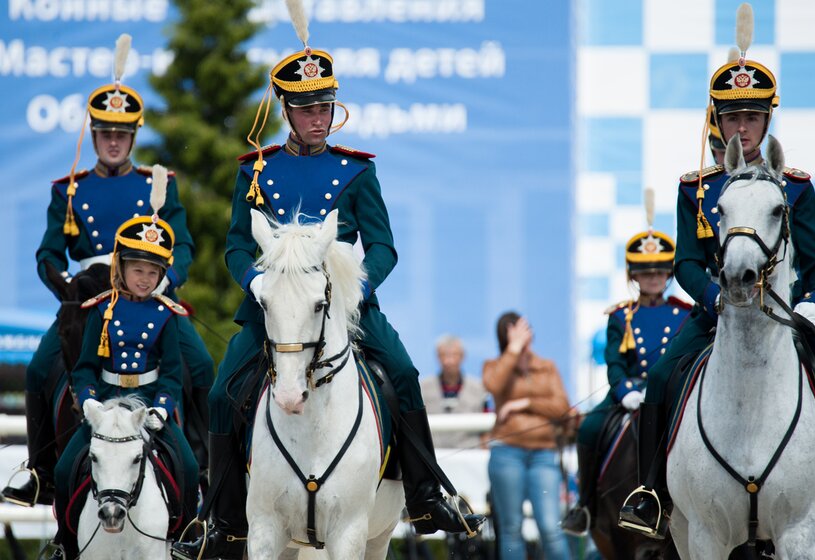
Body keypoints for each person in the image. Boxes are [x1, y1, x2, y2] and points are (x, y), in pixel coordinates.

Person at [170, 23, 484, 560]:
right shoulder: (257, 170)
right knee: (224, 393)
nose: (318, 118)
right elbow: (236, 248)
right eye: (307, 108)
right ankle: (222, 520)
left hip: (344, 305)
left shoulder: (357, 172)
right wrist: (258, 282)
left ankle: (428, 495)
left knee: (404, 375)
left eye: (325, 107)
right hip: (274, 309)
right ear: (286, 110)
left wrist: (355, 287)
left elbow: (383, 246)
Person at [617, 41, 815, 540]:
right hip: (716, 315)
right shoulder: (696, 188)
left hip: (787, 316)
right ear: (718, 122)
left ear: (767, 121)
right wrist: (713, 299)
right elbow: (685, 262)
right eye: (732, 118)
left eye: (751, 116)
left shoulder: (795, 188)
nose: (742, 127)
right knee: (662, 377)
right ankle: (651, 496)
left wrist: (813, 307)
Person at [1, 35, 213, 509]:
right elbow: (48, 253)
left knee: (200, 365)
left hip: (149, 291)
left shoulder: (158, 186)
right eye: (105, 132)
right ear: (94, 134)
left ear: (133, 136)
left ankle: (205, 467)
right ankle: (39, 472)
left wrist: (162, 284)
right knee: (38, 369)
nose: (113, 140)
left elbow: (185, 246)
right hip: (90, 294)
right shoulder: (69, 190)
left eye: (122, 132)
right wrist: (63, 287)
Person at [50, 198, 200, 559]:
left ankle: (186, 538)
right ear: (121, 267)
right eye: (138, 270)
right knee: (64, 467)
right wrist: (88, 400)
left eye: (153, 272)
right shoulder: (102, 309)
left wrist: (162, 410)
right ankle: (66, 544)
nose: (145, 279)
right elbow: (85, 366)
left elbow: (172, 373)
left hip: (147, 403)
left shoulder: (167, 315)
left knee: (190, 467)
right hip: (105, 403)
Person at [562, 224, 690, 536]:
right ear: (633, 276)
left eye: (660, 271)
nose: (654, 277)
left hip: (670, 393)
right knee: (591, 427)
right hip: (630, 393)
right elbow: (614, 364)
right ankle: (586, 505)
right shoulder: (620, 316)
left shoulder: (685, 314)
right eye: (646, 272)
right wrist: (624, 392)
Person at [483, 312, 574, 560]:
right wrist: (512, 351)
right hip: (507, 451)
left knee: (550, 527)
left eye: (524, 330)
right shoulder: (495, 366)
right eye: (514, 333)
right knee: (511, 528)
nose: (524, 337)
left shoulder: (546, 367)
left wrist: (522, 403)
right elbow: (493, 385)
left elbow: (561, 407)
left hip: (544, 454)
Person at [419, 334, 489, 449]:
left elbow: (486, 428)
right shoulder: (423, 388)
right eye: (444, 355)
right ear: (437, 357)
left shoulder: (479, 388)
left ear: (462, 357)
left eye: (453, 355)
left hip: (470, 455)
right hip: (434, 454)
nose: (448, 361)